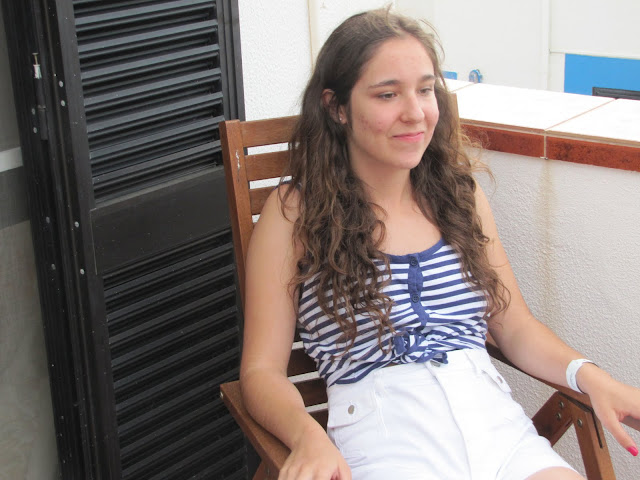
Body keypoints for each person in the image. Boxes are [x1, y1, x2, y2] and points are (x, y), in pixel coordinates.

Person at [239, 8, 640, 480]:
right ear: (336, 107)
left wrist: (592, 378)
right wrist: (308, 437)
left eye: (426, 89)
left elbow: (514, 327)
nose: (415, 112)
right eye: (388, 94)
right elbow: (261, 371)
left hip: (499, 431)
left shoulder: (458, 196)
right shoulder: (296, 213)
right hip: (387, 440)